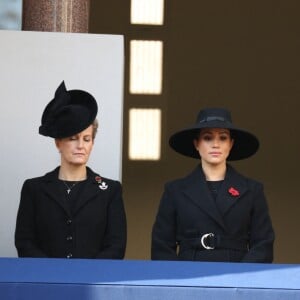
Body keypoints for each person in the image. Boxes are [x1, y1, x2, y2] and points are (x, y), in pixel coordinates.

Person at [15, 81, 127, 259]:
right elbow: (25, 243)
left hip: (93, 282)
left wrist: (87, 273)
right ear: (58, 142)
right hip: (46, 282)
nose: (80, 146)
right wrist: (54, 272)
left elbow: (116, 246)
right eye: (73, 138)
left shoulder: (110, 190)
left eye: (87, 139)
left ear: (93, 143)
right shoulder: (34, 189)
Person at [151, 107, 274, 263]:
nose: (216, 144)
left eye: (223, 138)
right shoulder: (175, 191)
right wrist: (180, 278)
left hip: (236, 276)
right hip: (189, 276)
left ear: (231, 144)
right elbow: (161, 246)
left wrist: (242, 277)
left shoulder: (252, 190)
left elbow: (263, 244)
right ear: (196, 144)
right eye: (208, 138)